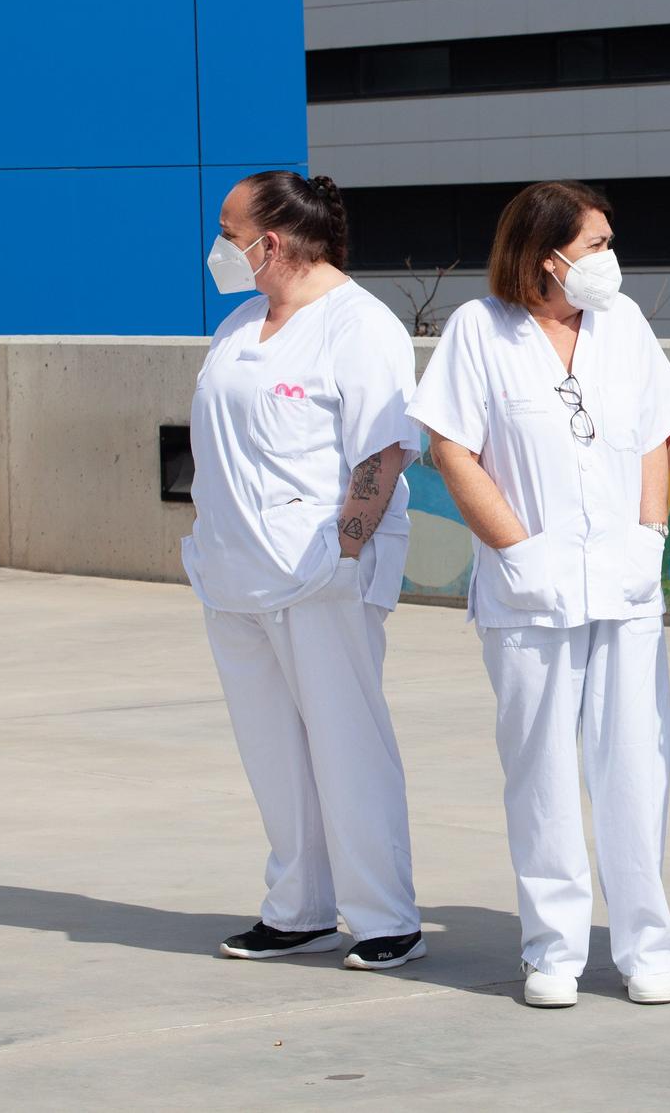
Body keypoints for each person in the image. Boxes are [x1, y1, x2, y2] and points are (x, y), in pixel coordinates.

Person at [409, 180, 670, 1010]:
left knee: (636, 767)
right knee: (539, 772)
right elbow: (453, 450)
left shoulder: (624, 323)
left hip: (626, 585)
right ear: (546, 256)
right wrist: (519, 550)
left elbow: (655, 432)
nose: (611, 259)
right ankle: (553, 949)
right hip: (528, 592)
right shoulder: (479, 330)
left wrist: (650, 534)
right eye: (598, 244)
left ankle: (647, 947)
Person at [183, 171, 425, 971]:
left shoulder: (360, 325)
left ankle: (383, 913)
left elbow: (382, 447)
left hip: (319, 575)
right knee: (273, 753)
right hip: (233, 574)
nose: (221, 243)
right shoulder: (242, 322)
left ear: (273, 240)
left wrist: (346, 549)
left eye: (230, 229)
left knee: (347, 743)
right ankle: (298, 910)